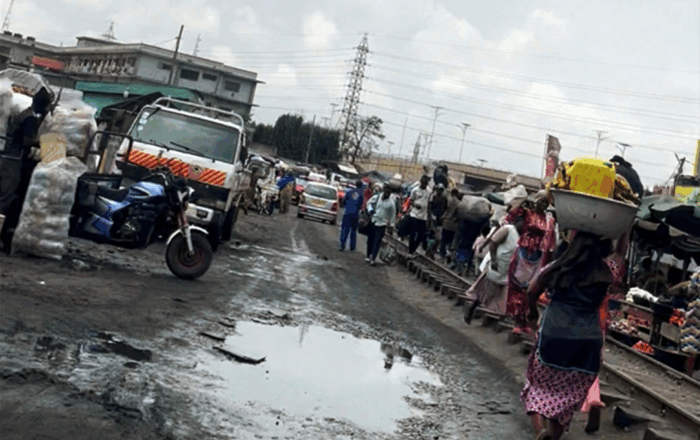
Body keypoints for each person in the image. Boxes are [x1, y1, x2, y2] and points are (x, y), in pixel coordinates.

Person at [521, 231, 615, 440]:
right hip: (587, 343)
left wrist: (532, 311)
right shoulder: (604, 274)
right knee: (567, 399)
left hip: (553, 335)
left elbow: (531, 291)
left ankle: (541, 431)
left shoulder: (557, 267)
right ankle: (553, 437)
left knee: (537, 388)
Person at [0, 87, 52, 251]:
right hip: (13, 161)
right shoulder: (30, 119)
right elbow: (27, 141)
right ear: (43, 105)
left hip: (7, 157)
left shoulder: (23, 113)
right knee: (5, 198)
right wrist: (46, 143)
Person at [502, 191, 557, 336]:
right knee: (517, 287)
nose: (543, 204)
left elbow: (551, 240)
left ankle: (525, 321)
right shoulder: (527, 213)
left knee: (530, 289)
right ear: (536, 200)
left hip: (538, 256)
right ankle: (517, 321)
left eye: (546, 202)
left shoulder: (549, 219)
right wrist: (522, 203)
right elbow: (510, 216)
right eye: (541, 201)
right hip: (523, 252)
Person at [464, 218, 524, 324]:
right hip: (497, 266)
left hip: (509, 269)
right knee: (486, 291)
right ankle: (471, 309)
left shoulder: (523, 237)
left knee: (505, 295)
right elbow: (493, 243)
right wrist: (494, 260)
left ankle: (501, 318)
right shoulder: (507, 229)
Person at [365, 185, 396, 266]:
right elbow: (368, 203)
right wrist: (370, 210)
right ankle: (368, 255)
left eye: (388, 192)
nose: (387, 193)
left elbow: (392, 215)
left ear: (390, 193)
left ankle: (373, 257)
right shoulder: (377, 197)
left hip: (382, 224)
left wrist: (391, 226)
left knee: (377, 241)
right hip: (374, 221)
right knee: (370, 240)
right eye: (386, 191)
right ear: (384, 190)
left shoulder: (391, 203)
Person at [407, 175, 431, 256]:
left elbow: (429, 204)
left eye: (426, 183)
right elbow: (411, 200)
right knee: (413, 234)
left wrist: (428, 217)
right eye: (424, 183)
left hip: (423, 217)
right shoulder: (415, 190)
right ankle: (410, 251)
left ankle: (413, 250)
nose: (425, 184)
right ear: (421, 182)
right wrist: (415, 205)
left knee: (421, 235)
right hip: (414, 215)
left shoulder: (429, 191)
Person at [339, 180, 364, 252]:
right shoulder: (361, 194)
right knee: (353, 230)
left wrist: (346, 206)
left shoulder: (349, 192)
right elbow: (360, 205)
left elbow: (343, 201)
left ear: (355, 184)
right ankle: (352, 246)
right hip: (355, 214)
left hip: (347, 213)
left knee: (345, 229)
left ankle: (342, 244)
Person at [439, 188, 460, 262]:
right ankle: (449, 253)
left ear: (451, 193)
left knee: (443, 240)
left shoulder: (448, 200)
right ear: (457, 194)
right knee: (451, 240)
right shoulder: (459, 203)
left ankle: (442, 255)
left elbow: (444, 210)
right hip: (454, 225)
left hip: (446, 222)